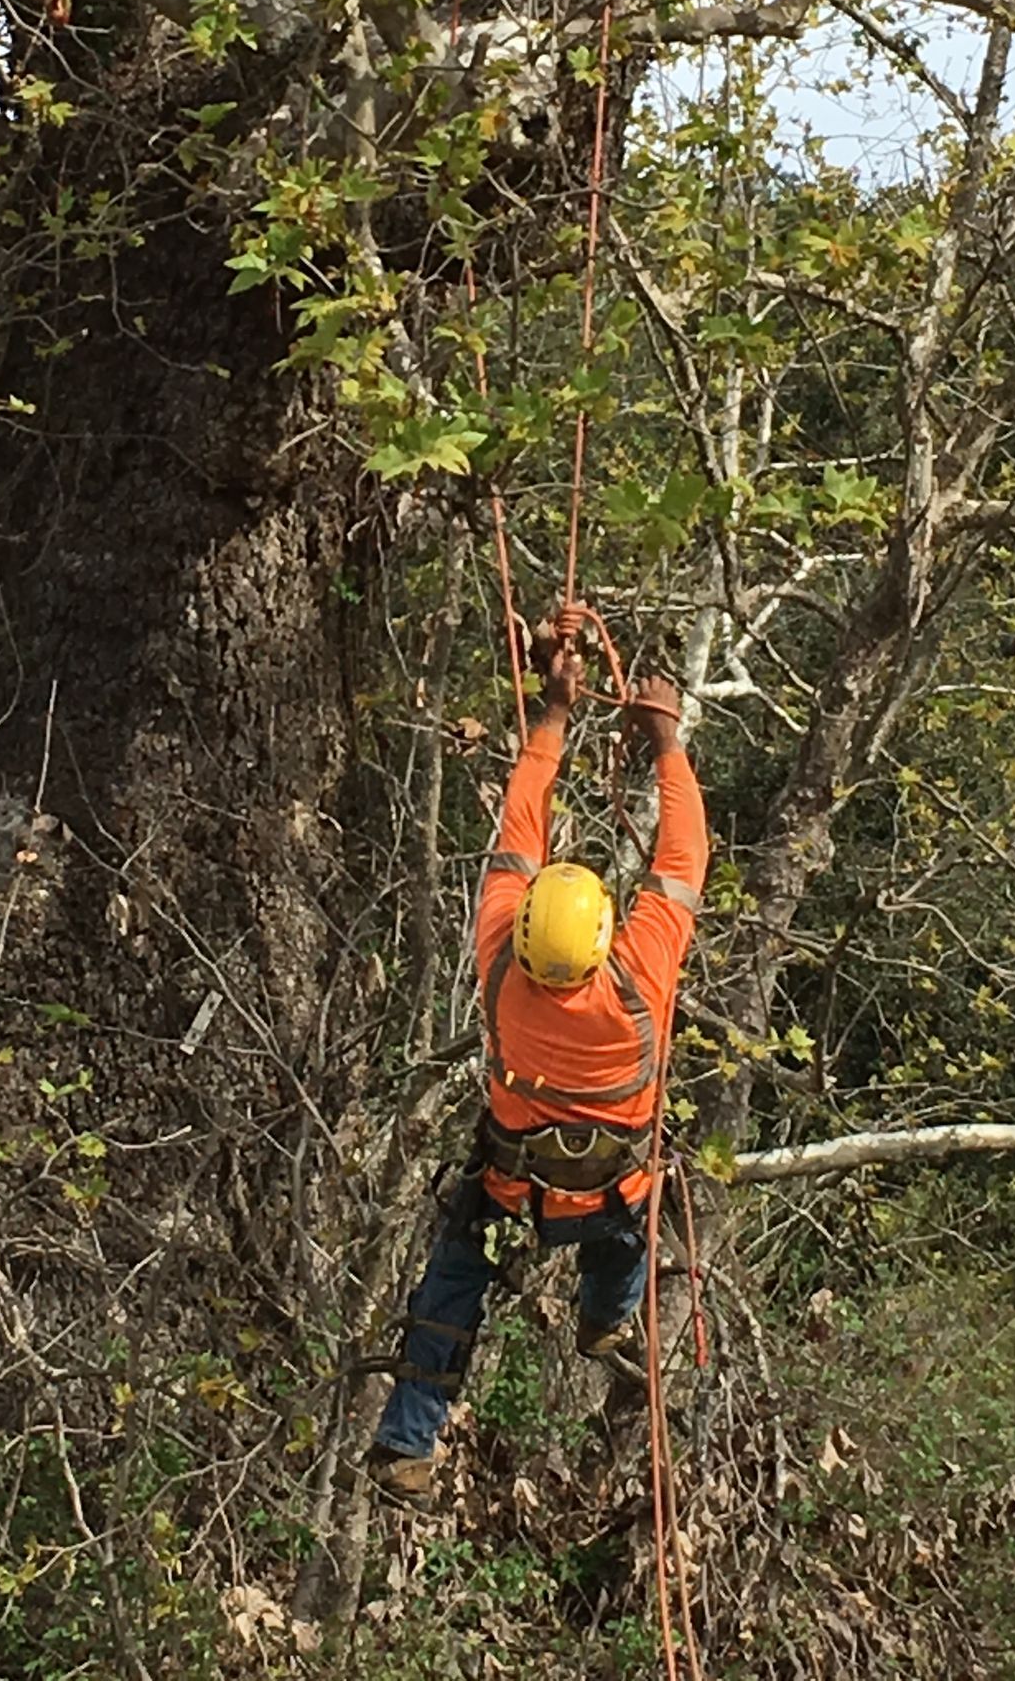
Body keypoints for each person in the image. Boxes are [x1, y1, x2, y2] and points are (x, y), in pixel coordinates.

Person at [367, 614, 708, 1504]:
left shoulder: (497, 968)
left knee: (450, 1289)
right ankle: (606, 1323)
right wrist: (665, 741)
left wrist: (552, 712)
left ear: (521, 931)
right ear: (605, 938)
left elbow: (520, 830)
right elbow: (683, 856)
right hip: (606, 1193)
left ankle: (408, 1444)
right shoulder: (638, 983)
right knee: (625, 1228)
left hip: (511, 1187)